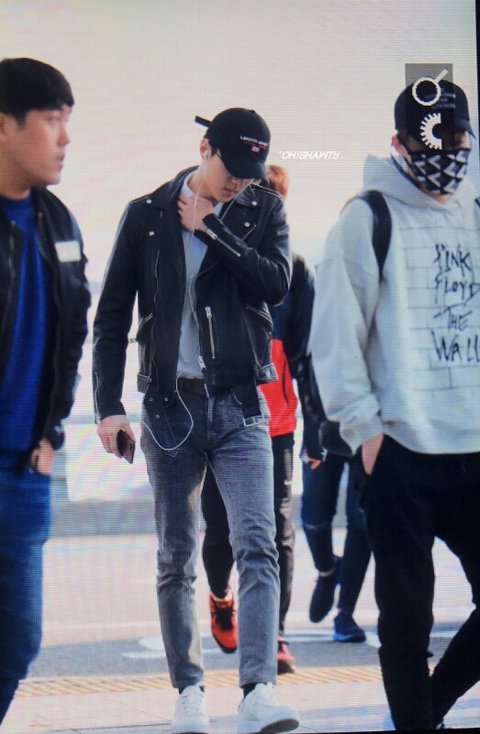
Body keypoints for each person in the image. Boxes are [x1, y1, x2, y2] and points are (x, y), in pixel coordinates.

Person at [93, 109, 299, 734]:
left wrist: (211, 228)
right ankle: (189, 694)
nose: (240, 182)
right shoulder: (146, 214)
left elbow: (276, 283)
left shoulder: (262, 210)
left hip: (240, 403)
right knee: (176, 556)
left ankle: (259, 691)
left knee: (258, 544)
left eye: (250, 173)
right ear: (204, 148)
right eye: (231, 168)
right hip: (168, 407)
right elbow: (111, 317)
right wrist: (107, 405)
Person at [309, 74, 480, 730]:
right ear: (399, 142)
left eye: (456, 137)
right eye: (429, 141)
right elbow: (335, 336)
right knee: (405, 621)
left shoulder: (475, 212)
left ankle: (428, 711)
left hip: (474, 446)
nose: (446, 152)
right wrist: (365, 431)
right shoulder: (366, 218)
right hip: (401, 450)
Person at [0, 57, 90, 724]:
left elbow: (72, 334)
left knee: (17, 641)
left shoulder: (59, 224)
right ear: (4, 126)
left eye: (67, 120)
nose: (64, 138)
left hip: (25, 474)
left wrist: (53, 432)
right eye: (52, 120)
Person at [201, 164, 314, 675]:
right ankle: (220, 596)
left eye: (274, 199)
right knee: (220, 530)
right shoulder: (216, 254)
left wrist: (319, 427)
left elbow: (306, 354)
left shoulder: (296, 271)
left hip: (279, 424)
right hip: (221, 415)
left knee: (277, 532)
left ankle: (275, 633)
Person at [301, 429, 370, 642]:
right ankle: (328, 570)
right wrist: (311, 432)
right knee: (313, 518)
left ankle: (345, 613)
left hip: (366, 428)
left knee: (361, 520)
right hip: (323, 427)